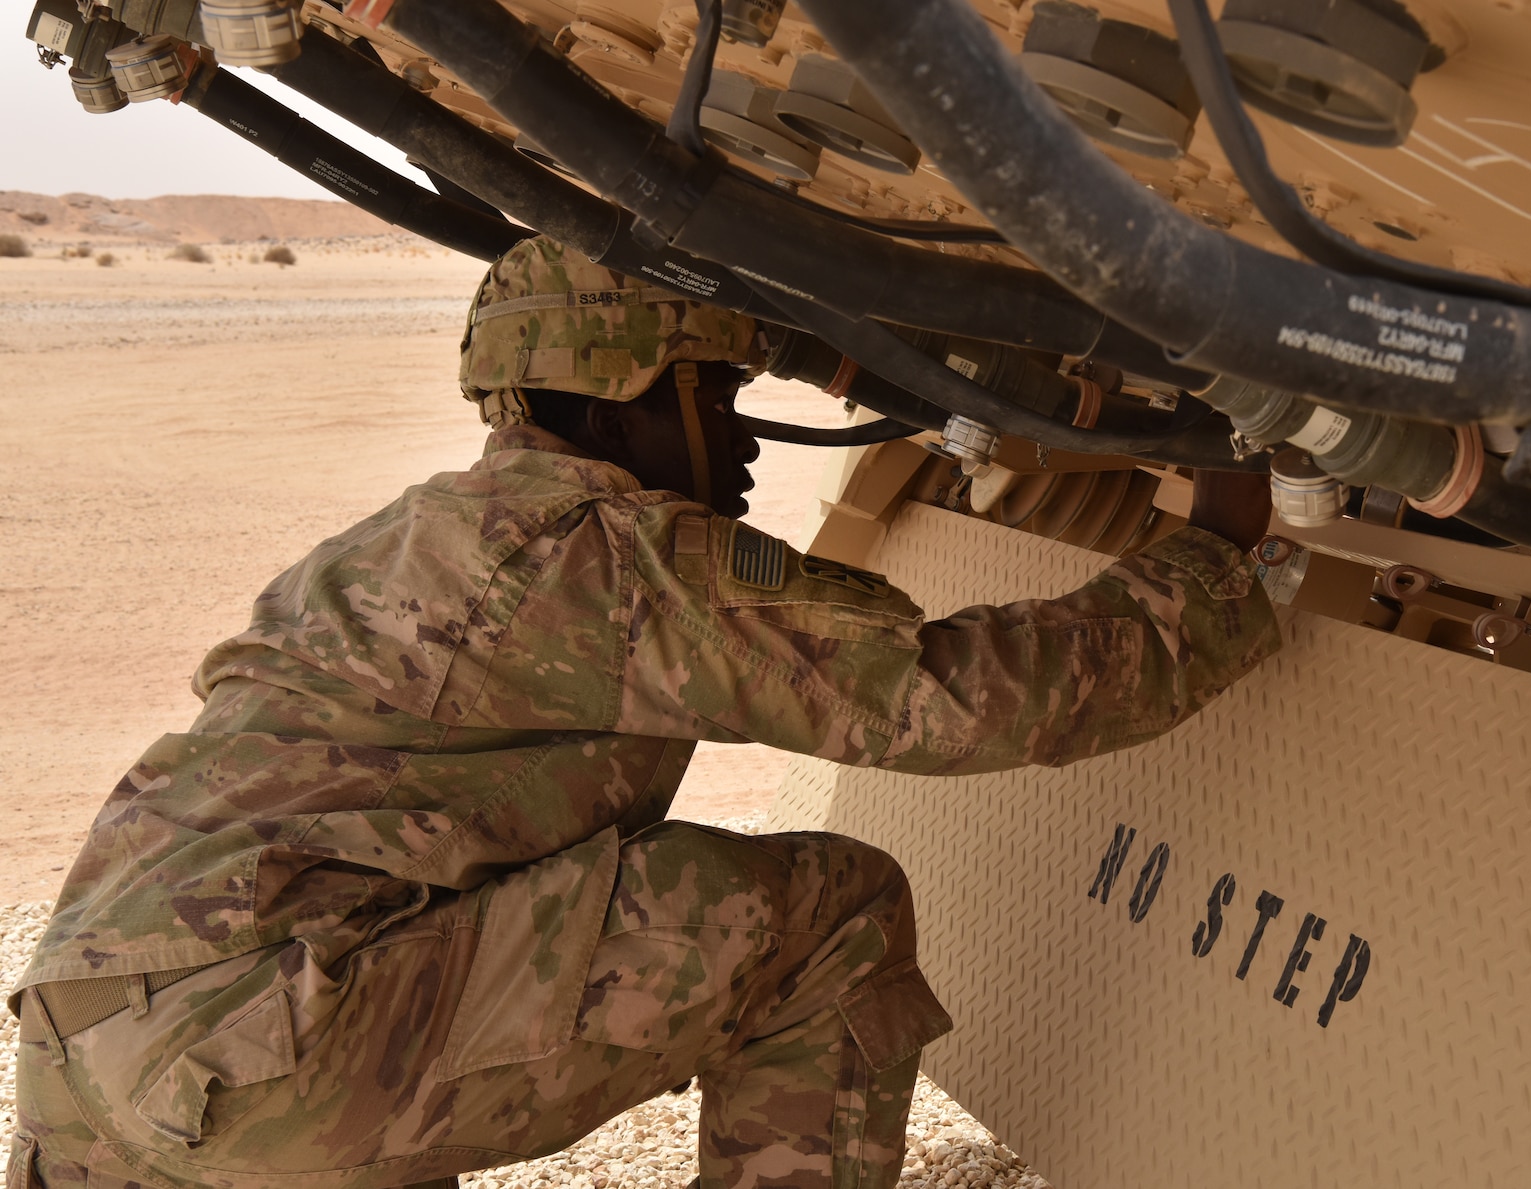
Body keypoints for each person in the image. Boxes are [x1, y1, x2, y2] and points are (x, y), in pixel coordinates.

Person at [7, 237, 1280, 1189]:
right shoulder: (600, 557)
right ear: (628, 396)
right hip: (265, 1045)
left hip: (85, 1049)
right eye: (715, 401)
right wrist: (1213, 563)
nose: (741, 453)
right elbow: (944, 702)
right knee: (829, 912)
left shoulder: (400, 540)